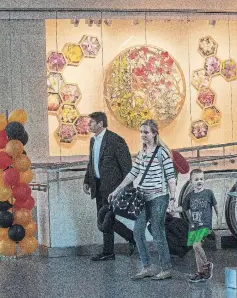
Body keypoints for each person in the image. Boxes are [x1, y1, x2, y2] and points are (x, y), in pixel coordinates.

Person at [108, 119, 176, 280]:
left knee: (158, 232)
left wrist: (173, 197)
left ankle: (166, 268)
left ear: (154, 133)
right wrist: (117, 190)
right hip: (143, 197)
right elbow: (133, 173)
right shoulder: (142, 153)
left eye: (146, 132)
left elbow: (171, 176)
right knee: (138, 232)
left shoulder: (162, 152)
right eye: (141, 132)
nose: (143, 135)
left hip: (159, 197)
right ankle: (147, 267)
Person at [83, 112, 135, 261]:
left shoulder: (115, 140)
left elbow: (126, 166)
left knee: (107, 218)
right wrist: (87, 180)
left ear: (100, 124)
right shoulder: (93, 141)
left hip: (113, 187)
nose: (89, 125)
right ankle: (117, 246)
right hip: (98, 186)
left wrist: (127, 188)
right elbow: (91, 162)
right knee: (105, 218)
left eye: (91, 122)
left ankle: (111, 250)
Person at [182, 169, 218, 282]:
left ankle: (207, 264)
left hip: (205, 225)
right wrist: (171, 208)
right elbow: (183, 208)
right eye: (196, 179)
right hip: (193, 226)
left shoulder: (208, 193)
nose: (199, 181)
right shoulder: (189, 196)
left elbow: (216, 206)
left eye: (201, 179)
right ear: (191, 181)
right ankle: (200, 272)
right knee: (197, 251)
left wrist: (217, 218)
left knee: (196, 245)